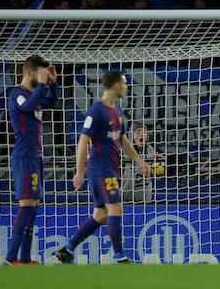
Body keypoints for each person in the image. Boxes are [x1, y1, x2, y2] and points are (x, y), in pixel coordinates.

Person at [56, 71, 150, 264]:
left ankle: (67, 249)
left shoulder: (116, 111)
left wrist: (140, 161)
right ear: (116, 86)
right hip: (101, 169)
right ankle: (119, 256)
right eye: (124, 84)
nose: (126, 87)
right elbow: (83, 140)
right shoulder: (96, 111)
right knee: (116, 208)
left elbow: (123, 140)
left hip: (109, 169)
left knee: (101, 215)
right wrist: (80, 171)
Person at [5, 56, 58, 265]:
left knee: (33, 208)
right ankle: (10, 259)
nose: (42, 76)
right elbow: (27, 106)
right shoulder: (17, 93)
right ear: (29, 72)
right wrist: (43, 85)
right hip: (24, 156)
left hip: (36, 157)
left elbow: (51, 102)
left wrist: (53, 84)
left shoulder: (33, 94)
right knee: (26, 206)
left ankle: (25, 260)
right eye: (40, 72)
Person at [120, 123, 161, 203]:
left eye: (144, 132)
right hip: (125, 199)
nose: (142, 134)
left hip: (145, 199)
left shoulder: (150, 150)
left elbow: (157, 172)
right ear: (131, 135)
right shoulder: (123, 151)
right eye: (138, 131)